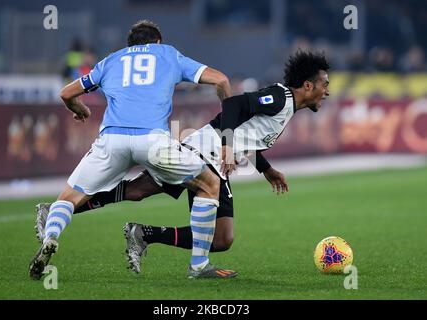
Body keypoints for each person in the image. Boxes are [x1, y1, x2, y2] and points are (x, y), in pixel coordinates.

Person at [35, 51, 330, 274]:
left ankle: (113, 224)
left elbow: (246, 135)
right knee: (213, 232)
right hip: (206, 153)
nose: (327, 91)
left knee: (145, 194)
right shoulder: (280, 98)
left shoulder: (287, 107)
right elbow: (234, 105)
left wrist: (266, 169)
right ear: (307, 84)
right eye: (324, 84)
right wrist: (226, 146)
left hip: (211, 154)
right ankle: (189, 262)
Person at [29, 20, 236, 280]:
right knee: (209, 184)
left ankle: (50, 238)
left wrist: (78, 109)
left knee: (67, 198)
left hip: (111, 141)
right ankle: (198, 266)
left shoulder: (111, 60)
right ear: (157, 42)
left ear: (131, 44)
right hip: (153, 142)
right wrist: (229, 123)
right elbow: (221, 80)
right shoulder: (168, 54)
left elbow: (66, 93)